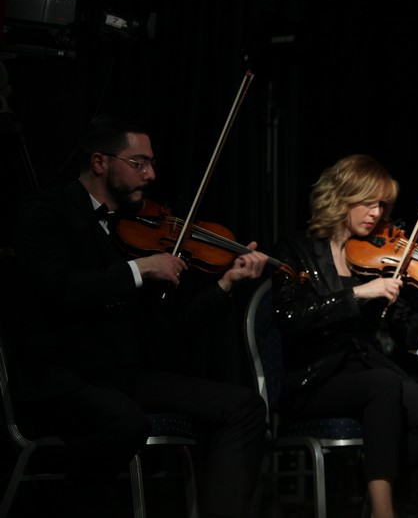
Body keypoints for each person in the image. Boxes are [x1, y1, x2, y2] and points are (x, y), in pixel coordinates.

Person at [11, 114, 269, 518]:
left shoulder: (133, 228)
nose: (150, 174)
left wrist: (226, 286)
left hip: (124, 376)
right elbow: (58, 290)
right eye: (139, 163)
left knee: (243, 406)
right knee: (125, 423)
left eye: (151, 163)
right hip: (61, 377)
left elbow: (172, 326)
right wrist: (139, 270)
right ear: (100, 162)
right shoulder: (45, 211)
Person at [270, 154, 418, 518]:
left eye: (383, 204)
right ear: (342, 196)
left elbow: (403, 336)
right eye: (368, 202)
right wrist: (356, 295)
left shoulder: (375, 255)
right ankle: (384, 510)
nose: (376, 213)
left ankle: (375, 494)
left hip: (365, 368)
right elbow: (289, 318)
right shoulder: (298, 249)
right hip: (313, 378)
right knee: (382, 385)